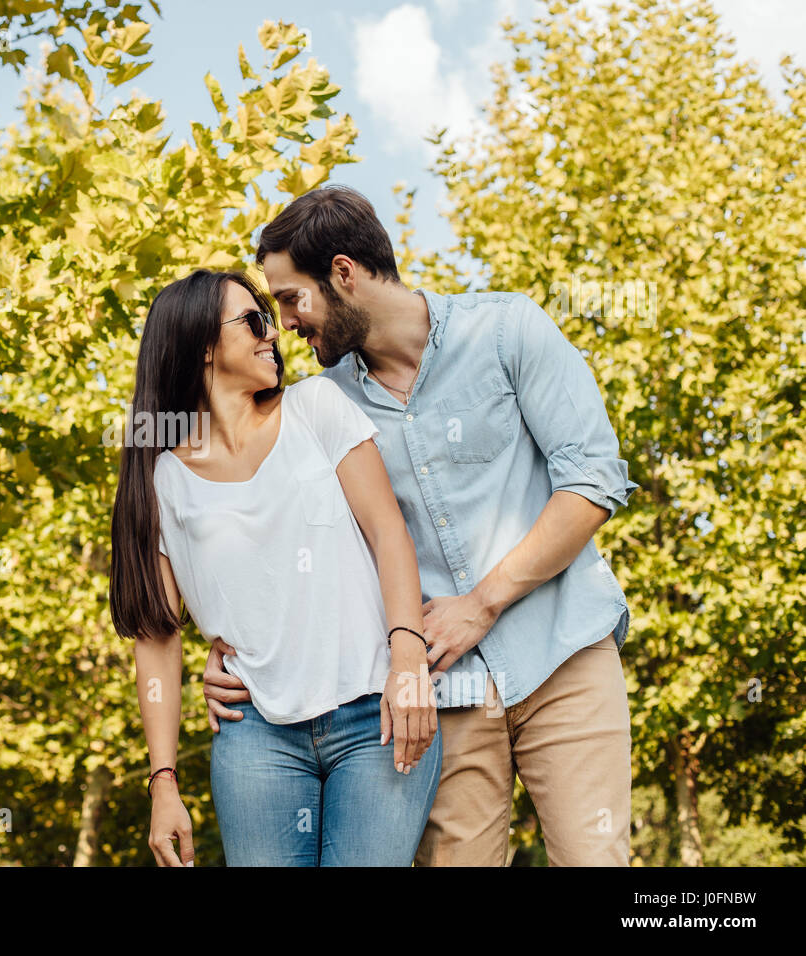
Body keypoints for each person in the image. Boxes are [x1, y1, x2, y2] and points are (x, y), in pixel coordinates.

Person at [203, 185, 639, 866]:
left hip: (564, 653)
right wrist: (230, 647)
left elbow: (591, 481)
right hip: (442, 690)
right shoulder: (319, 404)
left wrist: (482, 602)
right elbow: (274, 537)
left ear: (343, 273)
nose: (284, 323)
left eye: (291, 299)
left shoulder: (508, 331)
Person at [108, 268, 440, 866]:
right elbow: (157, 640)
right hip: (254, 736)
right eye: (254, 320)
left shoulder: (318, 408)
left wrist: (409, 663)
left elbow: (390, 534)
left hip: (375, 714)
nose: (273, 334)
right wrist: (163, 783)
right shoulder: (161, 478)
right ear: (202, 345)